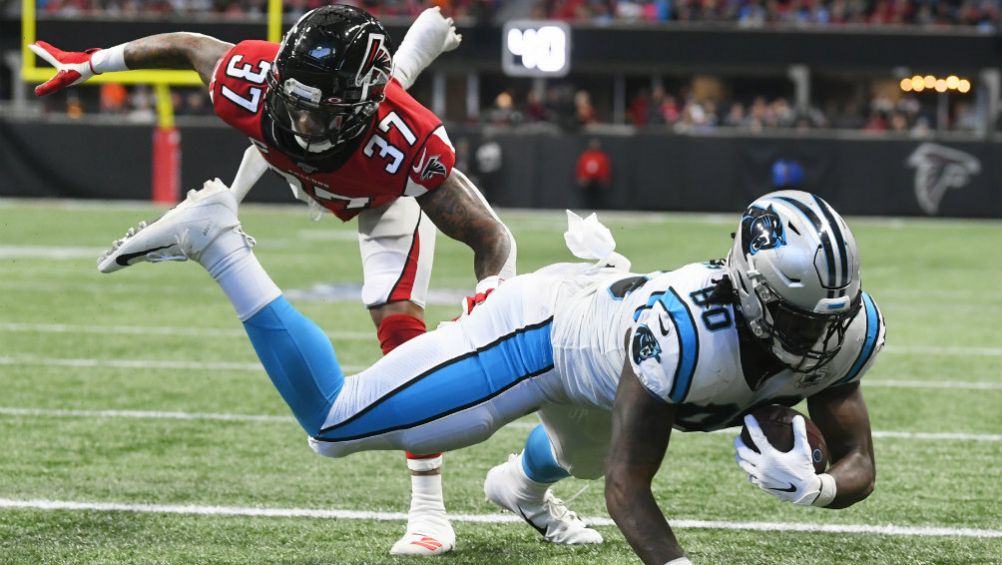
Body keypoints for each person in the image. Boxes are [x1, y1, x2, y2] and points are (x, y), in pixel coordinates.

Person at [96, 184, 884, 564]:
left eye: (828, 319)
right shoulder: (681, 333)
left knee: (571, 454)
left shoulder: (840, 327)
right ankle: (217, 237)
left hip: (605, 365)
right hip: (536, 335)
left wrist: (818, 489)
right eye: (799, 318)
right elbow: (629, 485)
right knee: (334, 424)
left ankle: (520, 489)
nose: (818, 340)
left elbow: (860, 463)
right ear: (750, 290)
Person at [30, 5, 518, 556]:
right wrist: (91, 64)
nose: (306, 124)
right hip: (307, 170)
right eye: (297, 102)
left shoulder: (404, 143)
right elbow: (189, 42)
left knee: (401, 337)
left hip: (378, 200)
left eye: (325, 111)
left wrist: (495, 292)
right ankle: (220, 213)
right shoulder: (250, 80)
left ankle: (428, 511)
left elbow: (492, 236)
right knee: (331, 118)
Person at [575, 138, 611, 209]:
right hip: (587, 180)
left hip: (598, 180)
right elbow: (581, 167)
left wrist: (604, 178)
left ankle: (598, 209)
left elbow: (605, 167)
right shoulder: (585, 156)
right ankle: (586, 209)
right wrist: (582, 177)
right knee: (587, 197)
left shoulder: (602, 156)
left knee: (598, 197)